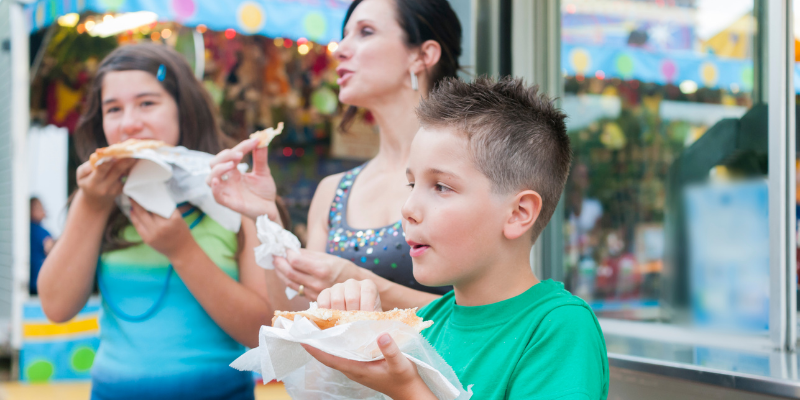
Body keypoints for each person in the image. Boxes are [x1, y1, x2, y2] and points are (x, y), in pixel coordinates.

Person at [303, 77, 610, 400]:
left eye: (441, 187)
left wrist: (408, 390)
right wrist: (354, 343)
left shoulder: (559, 327)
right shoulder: (423, 326)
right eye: (411, 185)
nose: (408, 209)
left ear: (519, 213)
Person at [36, 44, 272, 400]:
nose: (130, 122)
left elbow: (264, 332)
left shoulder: (237, 196)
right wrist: (93, 204)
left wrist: (182, 251)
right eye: (113, 109)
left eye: (147, 103)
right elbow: (56, 308)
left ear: (183, 110)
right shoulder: (97, 199)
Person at [207, 0, 463, 311]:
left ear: (423, 55)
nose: (340, 49)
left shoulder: (469, 168)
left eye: (365, 32)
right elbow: (299, 319)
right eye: (343, 35)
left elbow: (493, 313)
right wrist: (267, 219)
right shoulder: (333, 191)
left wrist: (363, 283)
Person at [29, 197, 54, 295]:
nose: (43, 210)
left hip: (30, 282)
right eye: (39, 207)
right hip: (39, 282)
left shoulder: (24, 229)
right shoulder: (41, 232)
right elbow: (52, 250)